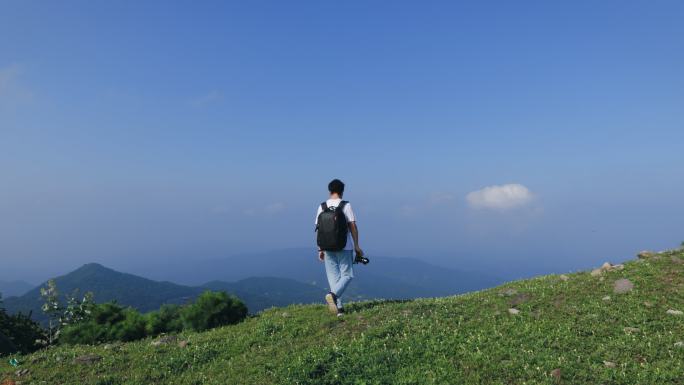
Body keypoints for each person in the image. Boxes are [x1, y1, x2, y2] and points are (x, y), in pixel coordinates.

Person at [315, 179, 364, 316]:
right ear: (342, 191)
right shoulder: (345, 205)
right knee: (347, 275)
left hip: (327, 247)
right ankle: (334, 296)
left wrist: (320, 249)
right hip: (344, 246)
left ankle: (339, 309)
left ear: (330, 190)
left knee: (334, 278)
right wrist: (357, 246)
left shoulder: (322, 206)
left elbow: (319, 229)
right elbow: (353, 226)